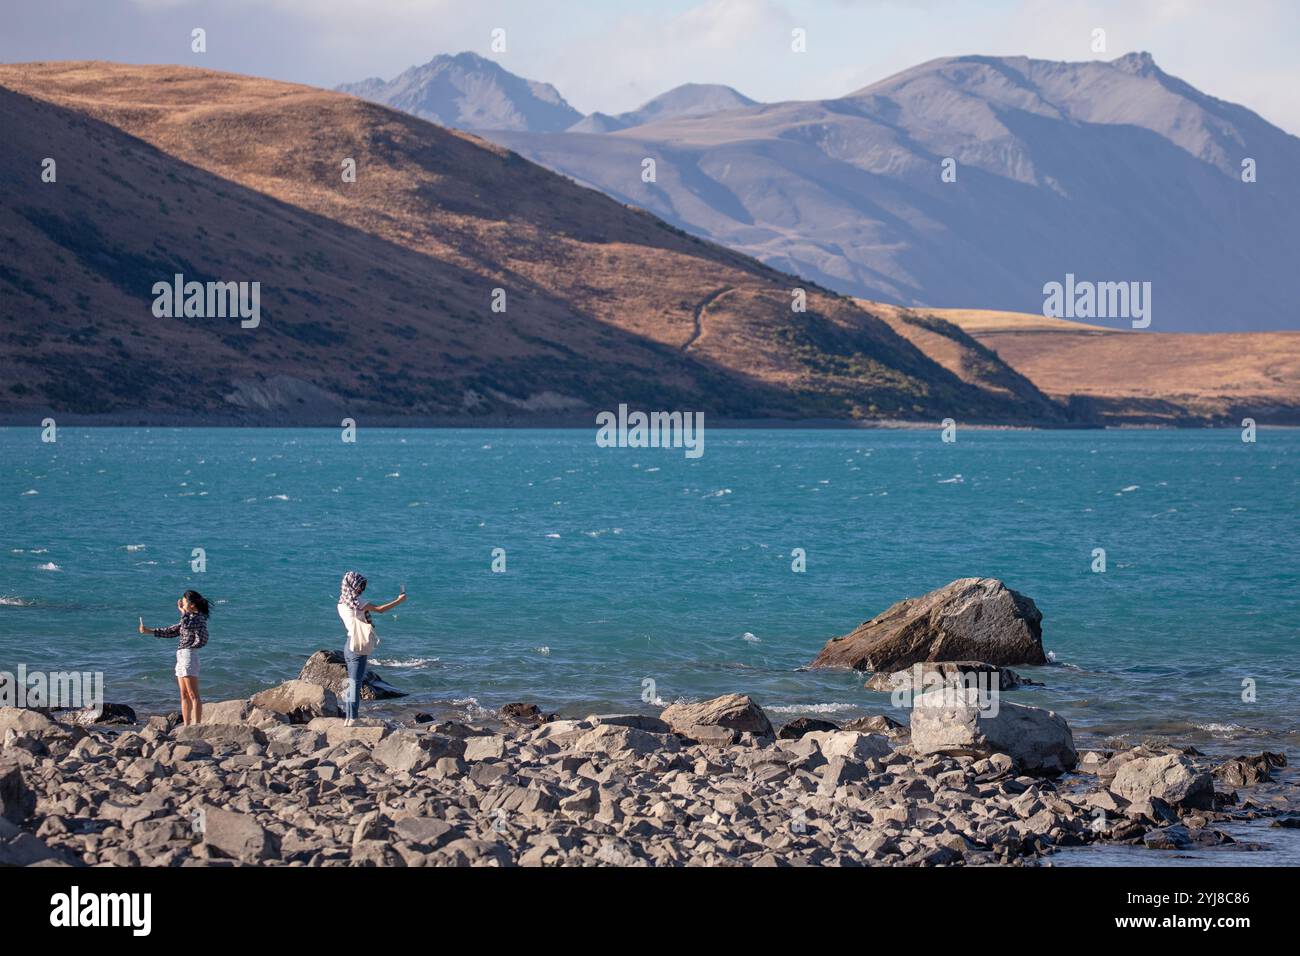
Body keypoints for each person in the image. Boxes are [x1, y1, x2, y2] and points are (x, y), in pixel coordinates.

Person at [337, 571, 406, 726]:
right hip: (358, 644)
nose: (362, 588)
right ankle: (353, 718)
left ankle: (348, 718)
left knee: (350, 682)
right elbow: (380, 609)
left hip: (349, 643)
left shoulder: (342, 602)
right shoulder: (358, 603)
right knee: (355, 683)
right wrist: (399, 601)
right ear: (354, 585)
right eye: (360, 585)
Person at [139, 590, 210, 726]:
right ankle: (186, 725)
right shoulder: (188, 618)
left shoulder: (197, 618)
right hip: (181, 656)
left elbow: (186, 623)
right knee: (183, 694)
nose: (182, 604)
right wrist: (149, 631)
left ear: (192, 605)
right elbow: (173, 630)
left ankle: (197, 725)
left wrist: (182, 612)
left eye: (184, 602)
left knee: (193, 694)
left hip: (189, 655)